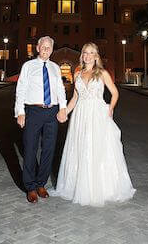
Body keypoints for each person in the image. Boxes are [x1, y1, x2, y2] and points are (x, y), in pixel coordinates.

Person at [52, 42, 136, 206]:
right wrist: (64, 112)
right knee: (81, 147)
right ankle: (80, 186)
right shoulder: (77, 74)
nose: (88, 55)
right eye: (85, 53)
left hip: (97, 113)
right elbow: (75, 99)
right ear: (82, 55)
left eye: (91, 53)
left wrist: (110, 108)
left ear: (96, 56)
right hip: (80, 115)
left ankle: (100, 187)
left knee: (97, 148)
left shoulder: (102, 73)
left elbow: (114, 93)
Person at [15, 36, 67, 203]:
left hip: (51, 112)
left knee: (48, 149)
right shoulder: (28, 66)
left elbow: (60, 89)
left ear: (52, 49)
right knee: (30, 149)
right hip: (33, 111)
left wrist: (63, 108)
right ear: (37, 48)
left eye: (49, 47)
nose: (46, 49)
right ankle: (30, 187)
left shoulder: (55, 68)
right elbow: (21, 89)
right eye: (43, 46)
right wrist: (20, 112)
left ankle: (41, 184)